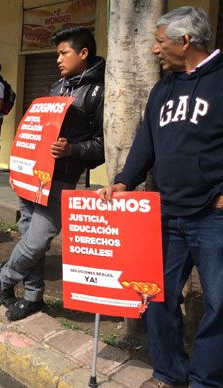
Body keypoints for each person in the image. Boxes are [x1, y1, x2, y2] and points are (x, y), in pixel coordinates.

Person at [99, 7, 223, 388]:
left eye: (160, 41)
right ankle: (169, 373)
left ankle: (206, 380)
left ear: (186, 42)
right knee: (156, 297)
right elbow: (145, 143)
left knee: (219, 305)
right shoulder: (162, 88)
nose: (154, 50)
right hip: (166, 212)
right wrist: (123, 182)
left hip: (213, 215)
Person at [0, 27, 105, 321]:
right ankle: (33, 296)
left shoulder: (100, 92)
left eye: (63, 52)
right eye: (57, 53)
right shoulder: (57, 87)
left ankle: (6, 275)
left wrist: (73, 150)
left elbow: (103, 144)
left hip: (61, 179)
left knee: (39, 239)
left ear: (83, 53)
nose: (58, 59)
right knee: (28, 233)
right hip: (33, 175)